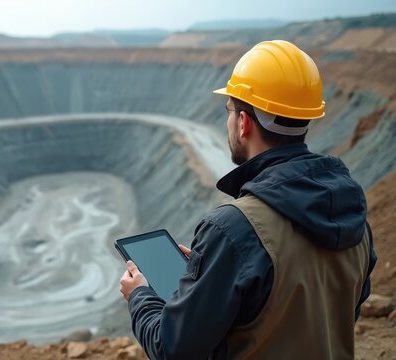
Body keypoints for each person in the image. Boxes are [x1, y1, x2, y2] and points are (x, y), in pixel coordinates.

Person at [119, 40, 377, 359]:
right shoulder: (352, 213)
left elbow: (172, 349)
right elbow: (333, 311)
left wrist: (140, 297)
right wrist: (214, 271)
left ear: (243, 123)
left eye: (229, 110)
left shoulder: (233, 229)